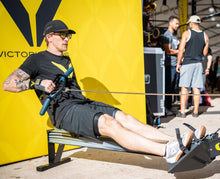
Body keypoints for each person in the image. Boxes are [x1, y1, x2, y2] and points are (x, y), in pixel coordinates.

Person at [2, 20, 206, 164]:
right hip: (63, 111)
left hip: (80, 102)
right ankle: (167, 152)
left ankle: (174, 141)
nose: (67, 39)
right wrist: (36, 84)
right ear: (49, 37)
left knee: (125, 118)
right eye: (62, 35)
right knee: (110, 124)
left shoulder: (66, 59)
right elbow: (8, 84)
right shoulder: (37, 59)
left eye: (68, 35)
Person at [176, 15, 209, 118]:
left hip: (187, 63)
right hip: (198, 64)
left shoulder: (187, 33)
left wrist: (178, 63)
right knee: (196, 88)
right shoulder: (205, 36)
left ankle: (182, 112)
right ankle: (195, 112)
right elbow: (204, 53)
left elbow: (181, 49)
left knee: (184, 87)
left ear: (191, 23)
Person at [163, 16, 180, 116]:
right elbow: (167, 50)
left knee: (173, 87)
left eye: (178, 24)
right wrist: (179, 51)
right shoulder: (167, 35)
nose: (177, 25)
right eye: (176, 23)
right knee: (168, 87)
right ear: (170, 23)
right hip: (169, 64)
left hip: (174, 64)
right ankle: (165, 107)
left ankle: (169, 106)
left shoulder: (173, 36)